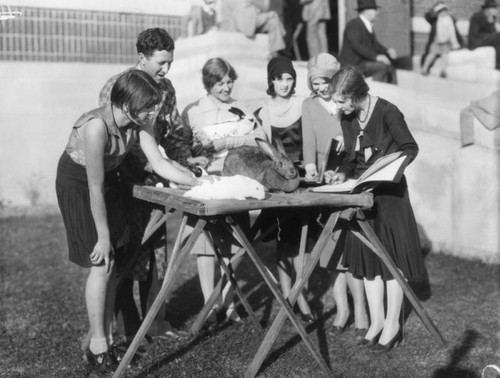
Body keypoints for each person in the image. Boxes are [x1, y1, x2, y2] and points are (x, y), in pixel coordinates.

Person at [55, 70, 211, 372]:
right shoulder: (95, 127)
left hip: (106, 182)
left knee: (116, 261)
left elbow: (160, 163)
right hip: (79, 184)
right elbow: (94, 188)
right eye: (148, 107)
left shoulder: (141, 122)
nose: (154, 112)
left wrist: (198, 183)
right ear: (126, 104)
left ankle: (103, 336)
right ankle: (99, 347)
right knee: (101, 262)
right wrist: (102, 236)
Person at [97, 28, 209, 345]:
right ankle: (127, 326)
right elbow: (116, 139)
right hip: (122, 180)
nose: (166, 70)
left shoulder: (167, 89)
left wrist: (185, 162)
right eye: (161, 63)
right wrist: (155, 167)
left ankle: (155, 322)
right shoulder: (116, 86)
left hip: (155, 177)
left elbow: (171, 133)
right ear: (142, 57)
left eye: (170, 62)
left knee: (155, 249)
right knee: (127, 250)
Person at [326, 66, 426, 352]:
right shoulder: (347, 116)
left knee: (391, 261)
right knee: (369, 261)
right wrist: (341, 174)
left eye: (343, 100)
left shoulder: (388, 112)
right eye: (337, 101)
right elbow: (348, 156)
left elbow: (410, 148)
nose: (339, 106)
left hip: (390, 196)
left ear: (358, 94)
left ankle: (393, 323)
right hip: (362, 197)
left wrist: (385, 173)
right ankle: (377, 321)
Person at [181, 57, 267, 325]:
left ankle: (228, 305)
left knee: (233, 244)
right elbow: (180, 147)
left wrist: (226, 141)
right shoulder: (193, 110)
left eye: (230, 82)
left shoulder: (242, 108)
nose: (226, 88)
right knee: (205, 243)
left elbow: (261, 139)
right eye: (220, 83)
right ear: (209, 83)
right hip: (207, 182)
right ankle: (210, 304)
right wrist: (194, 154)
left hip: (235, 180)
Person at [302, 53, 369, 339]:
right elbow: (309, 144)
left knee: (350, 249)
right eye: (315, 83)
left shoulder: (346, 106)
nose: (321, 88)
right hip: (324, 180)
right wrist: (311, 167)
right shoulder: (309, 105)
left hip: (347, 176)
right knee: (330, 251)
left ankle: (363, 311)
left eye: (325, 82)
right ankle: (342, 309)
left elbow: (358, 138)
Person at [254, 56, 315, 322]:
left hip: (303, 179)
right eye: (279, 78)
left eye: (289, 78)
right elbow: (265, 152)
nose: (285, 84)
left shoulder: (303, 106)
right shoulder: (264, 111)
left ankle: (301, 293)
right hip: (280, 182)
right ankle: (289, 295)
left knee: (303, 239)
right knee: (283, 239)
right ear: (271, 80)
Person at [339, 0, 398, 84]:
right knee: (381, 67)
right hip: (352, 64)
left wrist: (387, 51)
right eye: (375, 9)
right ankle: (377, 91)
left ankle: (392, 91)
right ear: (367, 11)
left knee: (389, 64)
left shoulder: (367, 25)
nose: (378, 13)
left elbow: (375, 45)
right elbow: (357, 46)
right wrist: (376, 57)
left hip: (362, 62)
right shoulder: (354, 25)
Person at [220, 0, 286, 58]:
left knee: (273, 21)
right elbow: (246, 21)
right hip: (239, 26)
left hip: (248, 22)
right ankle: (279, 48)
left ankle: (275, 51)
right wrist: (268, 15)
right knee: (273, 16)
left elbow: (262, 7)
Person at [420, 2, 463, 78]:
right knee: (431, 54)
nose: (443, 13)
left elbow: (452, 32)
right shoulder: (436, 19)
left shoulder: (449, 20)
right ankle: (424, 68)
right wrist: (434, 12)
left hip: (445, 42)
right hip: (436, 41)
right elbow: (428, 16)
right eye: (440, 11)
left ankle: (443, 70)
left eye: (444, 11)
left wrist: (455, 43)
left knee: (444, 55)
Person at [468, 0, 500, 70]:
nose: (496, 11)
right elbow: (474, 34)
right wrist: (488, 36)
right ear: (487, 9)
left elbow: (493, 32)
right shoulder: (476, 17)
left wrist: (491, 23)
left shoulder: (492, 18)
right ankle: (498, 65)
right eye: (494, 9)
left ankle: (498, 64)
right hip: (476, 41)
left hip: (485, 40)